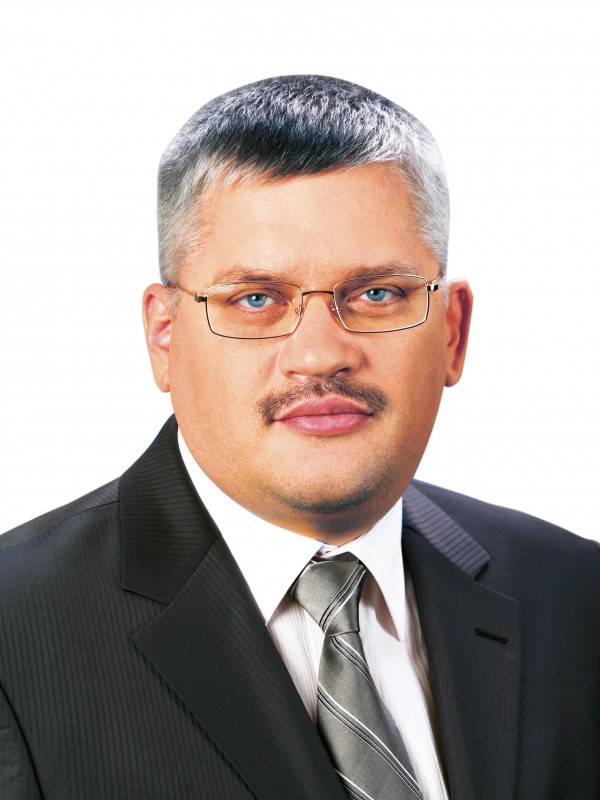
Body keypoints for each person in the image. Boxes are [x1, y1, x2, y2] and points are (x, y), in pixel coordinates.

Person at [0, 75, 598, 800]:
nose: (319, 355)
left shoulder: (577, 596)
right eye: (256, 298)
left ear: (452, 331)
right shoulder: (15, 633)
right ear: (164, 335)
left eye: (377, 294)